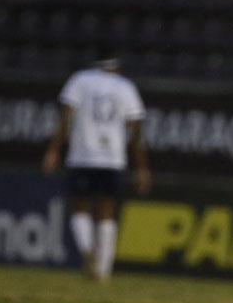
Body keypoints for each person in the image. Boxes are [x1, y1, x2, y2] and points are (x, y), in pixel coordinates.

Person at [42, 56, 151, 281]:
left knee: (79, 206)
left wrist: (53, 150)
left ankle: (87, 249)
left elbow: (66, 118)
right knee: (107, 212)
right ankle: (103, 271)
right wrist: (141, 167)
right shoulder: (125, 86)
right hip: (112, 158)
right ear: (116, 67)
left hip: (83, 155)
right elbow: (136, 130)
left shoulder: (80, 80)